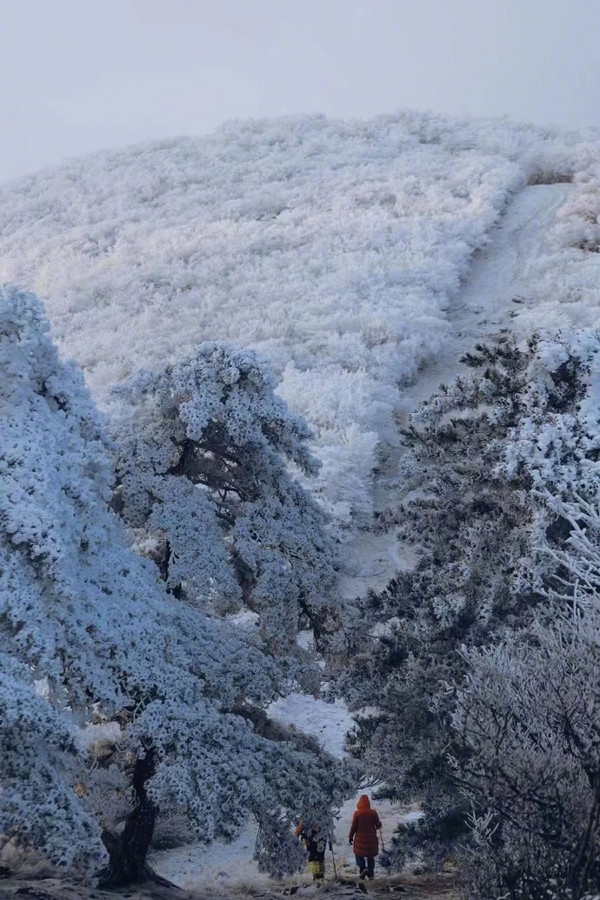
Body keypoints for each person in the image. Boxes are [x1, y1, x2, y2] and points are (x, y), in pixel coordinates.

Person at [348, 794, 382, 880]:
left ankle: (363, 868)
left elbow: (353, 826)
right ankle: (370, 874)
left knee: (359, 855)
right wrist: (376, 826)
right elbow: (378, 824)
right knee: (371, 857)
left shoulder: (357, 813)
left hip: (360, 839)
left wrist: (350, 836)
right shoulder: (373, 813)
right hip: (371, 839)